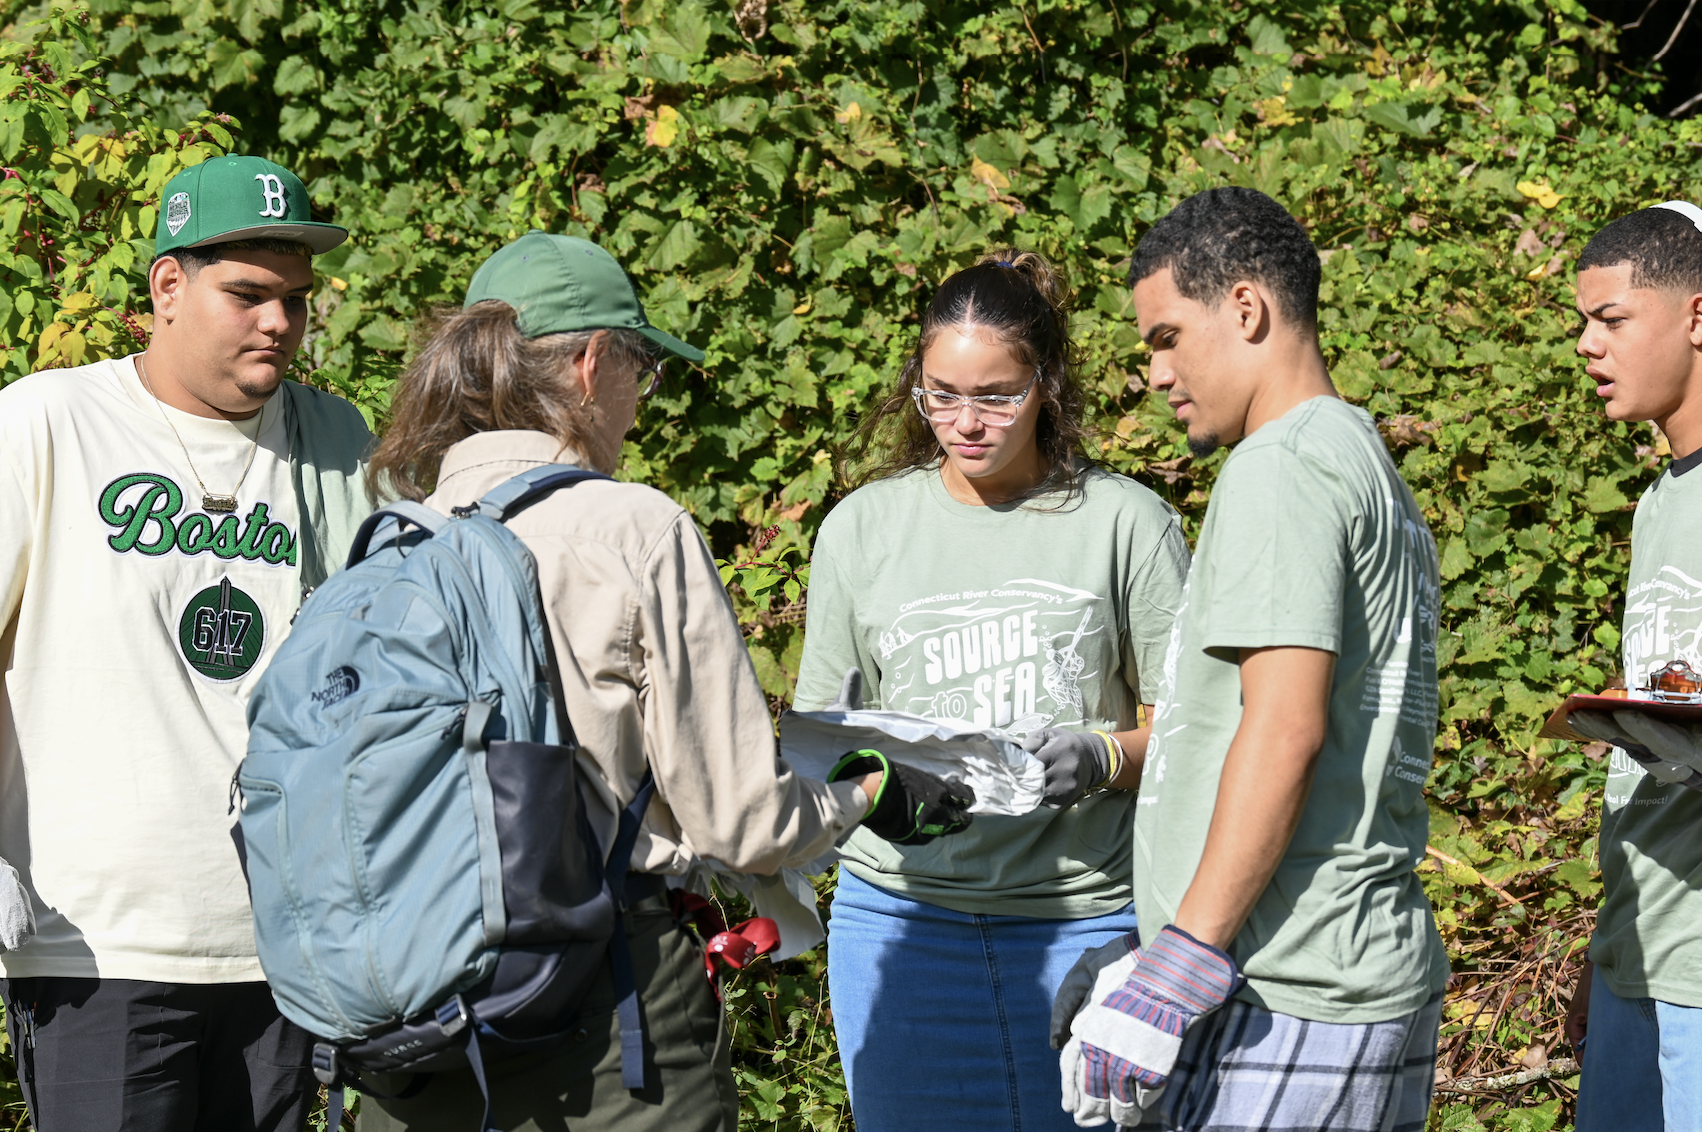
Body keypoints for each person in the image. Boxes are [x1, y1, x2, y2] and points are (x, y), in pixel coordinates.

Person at [354, 230, 973, 1132]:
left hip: (410, 1016)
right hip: (602, 1017)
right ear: (592, 361)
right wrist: (867, 793)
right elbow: (743, 823)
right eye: (641, 375)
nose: (637, 407)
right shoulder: (633, 528)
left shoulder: (394, 534)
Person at [1053, 186, 1447, 1131]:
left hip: (1289, 987)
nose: (1155, 373)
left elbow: (1286, 726)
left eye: (1164, 337)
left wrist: (1183, 955)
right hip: (1343, 968)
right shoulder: (1359, 457)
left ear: (1245, 308)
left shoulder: (1282, 466)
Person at [0, 155, 372, 1130]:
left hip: (286, 953)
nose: (279, 323)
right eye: (247, 293)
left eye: (294, 298)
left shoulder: (337, 442)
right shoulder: (50, 424)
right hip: (97, 948)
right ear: (169, 284)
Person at [792, 248, 1191, 1131]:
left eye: (996, 395)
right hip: (900, 925)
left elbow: (1197, 736)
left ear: (1046, 384)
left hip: (1087, 922)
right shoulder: (862, 529)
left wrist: (1101, 756)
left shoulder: (1126, 523)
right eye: (941, 394)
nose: (965, 422)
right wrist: (875, 784)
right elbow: (818, 740)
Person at [1561, 202, 1702, 1132]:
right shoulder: (1660, 500)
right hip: (1639, 951)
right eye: (1582, 322)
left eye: (1612, 319)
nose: (1586, 345)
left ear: (1697, 316)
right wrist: (1603, 950)